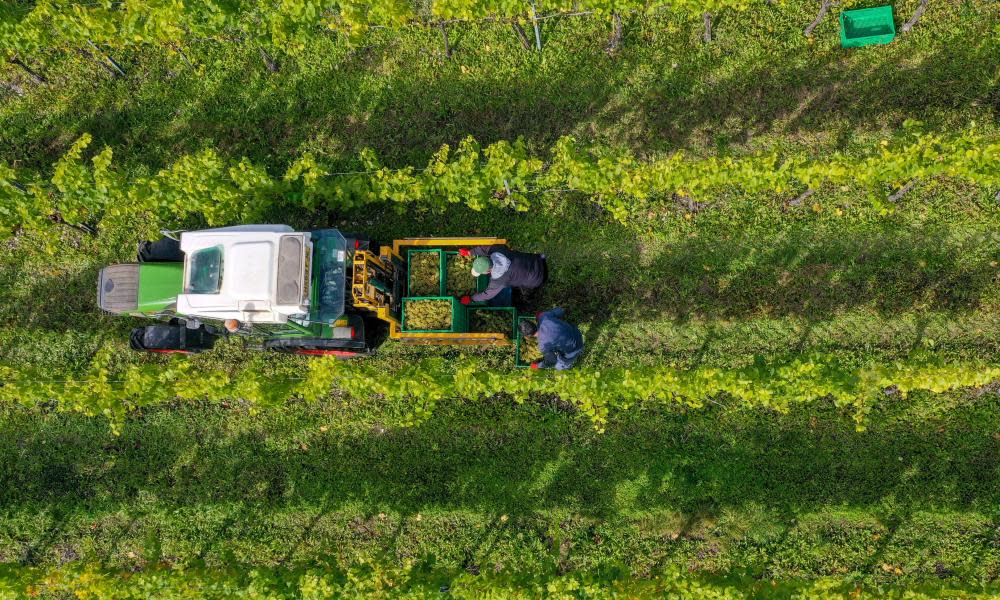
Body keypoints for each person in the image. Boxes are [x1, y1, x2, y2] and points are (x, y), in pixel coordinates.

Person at [457, 245, 547, 306]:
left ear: (488, 271)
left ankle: (529, 295)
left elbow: (487, 295)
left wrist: (471, 299)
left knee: (526, 288)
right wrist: (470, 252)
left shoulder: (498, 280)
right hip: (536, 260)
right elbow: (485, 249)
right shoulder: (497, 251)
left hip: (538, 277)